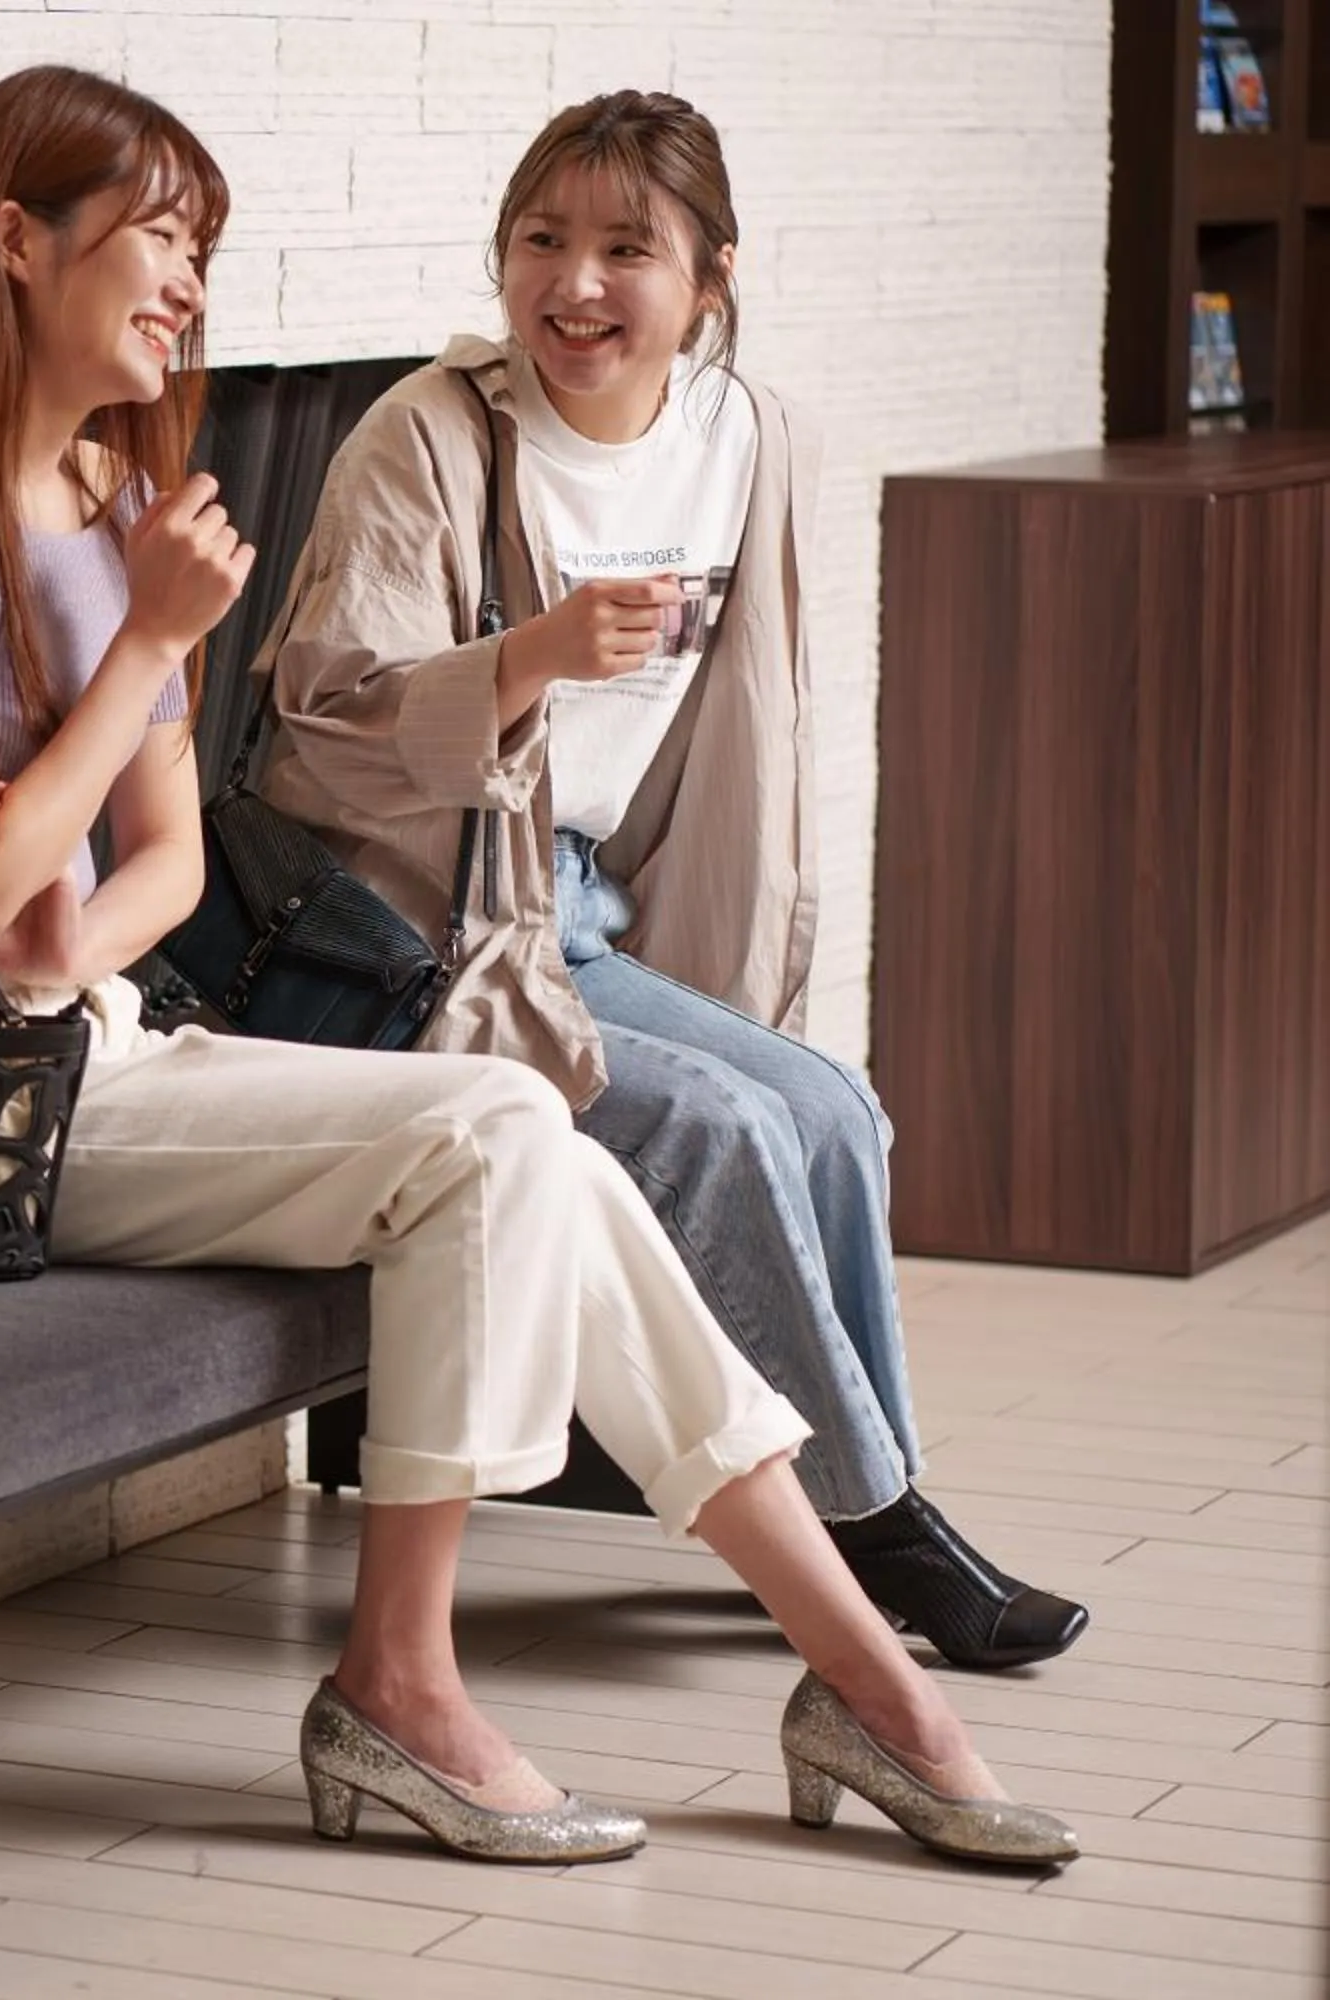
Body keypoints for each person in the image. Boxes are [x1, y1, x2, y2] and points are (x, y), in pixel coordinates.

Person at [0, 63, 1074, 1869]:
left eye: (200, 249)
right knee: (496, 1134)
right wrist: (143, 660)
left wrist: (71, 919)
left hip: (91, 1048)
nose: (188, 288)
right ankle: (411, 1685)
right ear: (14, 243)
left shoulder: (110, 488)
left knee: (529, 1138)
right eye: (161, 239)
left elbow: (165, 863)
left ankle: (859, 1670)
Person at [247, 89, 1086, 1672]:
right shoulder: (430, 437)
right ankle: (877, 1537)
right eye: (541, 241)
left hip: (579, 915)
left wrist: (731, 963)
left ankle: (850, 1511)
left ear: (709, 279)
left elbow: (758, 725)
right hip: (407, 933)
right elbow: (322, 733)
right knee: (718, 1124)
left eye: (627, 248)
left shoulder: (749, 441)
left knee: (829, 1107)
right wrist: (526, 661)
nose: (574, 285)